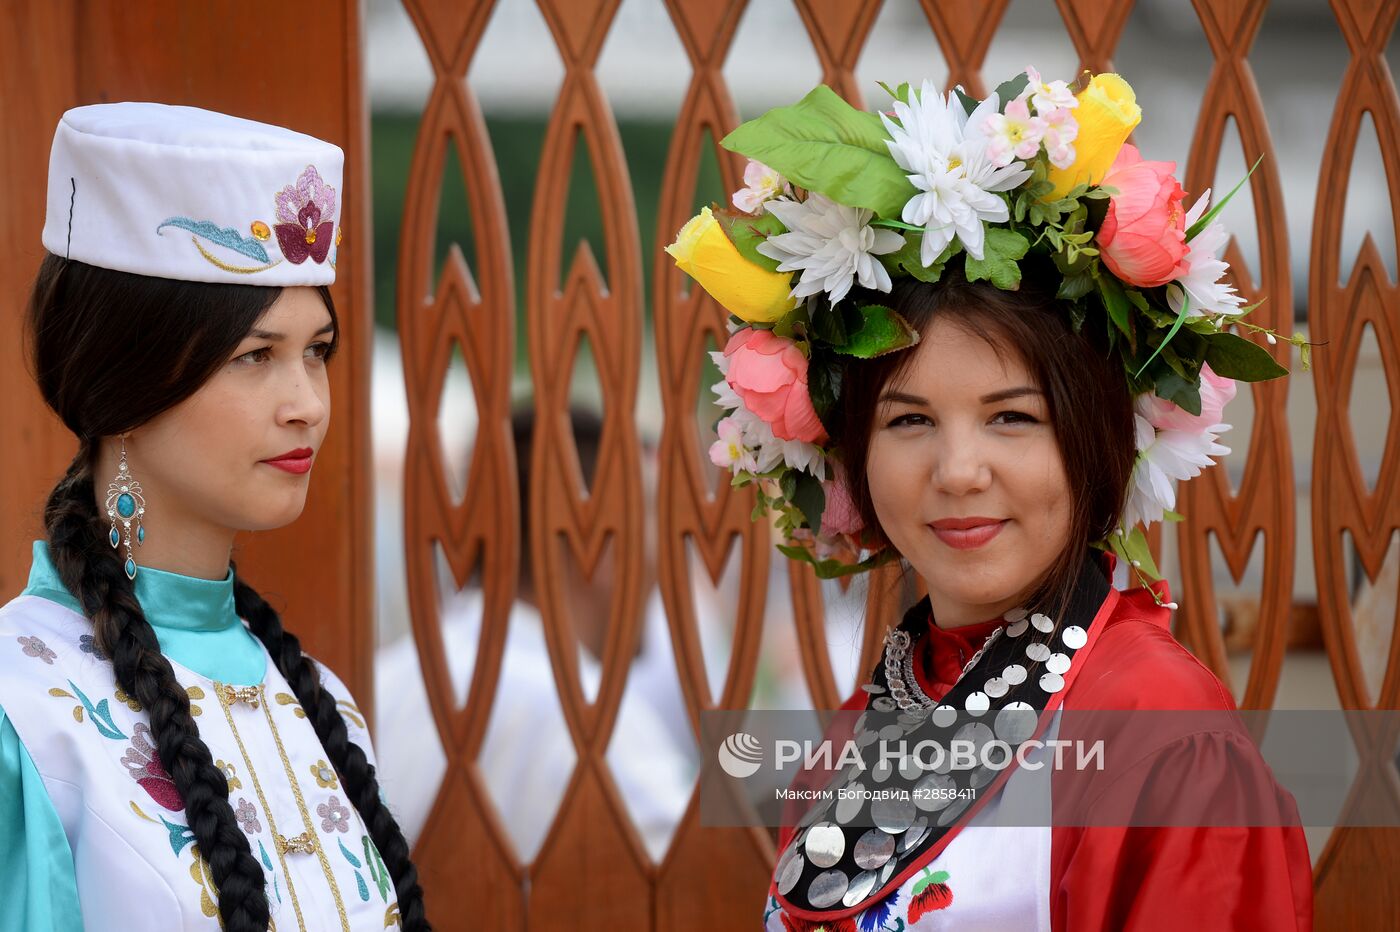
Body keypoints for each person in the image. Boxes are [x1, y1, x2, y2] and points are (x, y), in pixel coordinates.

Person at [669, 69, 1313, 929]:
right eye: (908, 422)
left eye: (1012, 418)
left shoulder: (1157, 731)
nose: (958, 471)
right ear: (850, 455)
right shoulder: (869, 719)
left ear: (1098, 443)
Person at [0, 103, 428, 931]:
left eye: (318, 351)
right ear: (123, 379)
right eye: (255, 357)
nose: (306, 403)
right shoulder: (25, 713)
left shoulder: (324, 707)